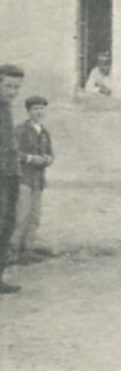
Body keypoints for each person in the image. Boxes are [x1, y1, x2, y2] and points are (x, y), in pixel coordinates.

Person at [14, 95, 54, 263]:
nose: (39, 112)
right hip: (23, 178)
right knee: (21, 215)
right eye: (35, 109)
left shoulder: (44, 132)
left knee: (35, 215)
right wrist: (30, 158)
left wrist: (48, 159)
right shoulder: (20, 130)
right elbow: (13, 153)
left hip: (38, 180)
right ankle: (13, 251)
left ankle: (28, 249)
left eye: (42, 108)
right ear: (28, 111)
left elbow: (51, 153)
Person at [0, 63, 25, 294]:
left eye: (16, 87)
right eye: (8, 86)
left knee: (7, 224)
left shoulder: (7, 108)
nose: (13, 92)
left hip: (10, 175)